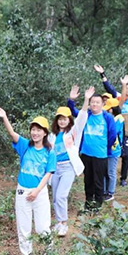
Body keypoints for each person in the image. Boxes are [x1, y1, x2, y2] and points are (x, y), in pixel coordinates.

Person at [0, 107, 56, 255]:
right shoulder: (25, 146)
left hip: (39, 193)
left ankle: (49, 254)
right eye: (33, 130)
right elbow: (12, 134)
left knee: (42, 227)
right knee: (23, 227)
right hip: (22, 191)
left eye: (39, 130)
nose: (35, 133)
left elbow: (48, 173)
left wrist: (36, 191)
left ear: (45, 133)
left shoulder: (50, 152)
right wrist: (5, 117)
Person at [48, 86, 90, 236]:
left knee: (61, 195)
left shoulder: (73, 131)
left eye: (65, 118)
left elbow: (83, 117)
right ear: (57, 120)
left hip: (68, 168)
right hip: (55, 168)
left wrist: (85, 100)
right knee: (54, 197)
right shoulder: (51, 135)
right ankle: (59, 222)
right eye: (60, 119)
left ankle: (64, 223)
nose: (62, 121)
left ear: (69, 119)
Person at [77, 87, 118, 211]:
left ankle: (98, 203)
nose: (94, 104)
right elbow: (74, 113)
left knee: (99, 180)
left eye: (97, 102)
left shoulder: (107, 117)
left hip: (100, 154)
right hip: (86, 153)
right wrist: (72, 100)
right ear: (89, 104)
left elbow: (112, 135)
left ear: (103, 104)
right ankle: (88, 202)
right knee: (88, 179)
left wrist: (105, 148)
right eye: (92, 102)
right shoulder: (86, 115)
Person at [102, 98, 125, 201]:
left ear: (113, 109)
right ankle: (104, 191)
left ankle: (110, 192)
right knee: (104, 171)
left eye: (108, 109)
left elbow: (112, 133)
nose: (107, 111)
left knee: (111, 171)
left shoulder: (118, 119)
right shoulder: (113, 118)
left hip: (113, 149)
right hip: (107, 149)